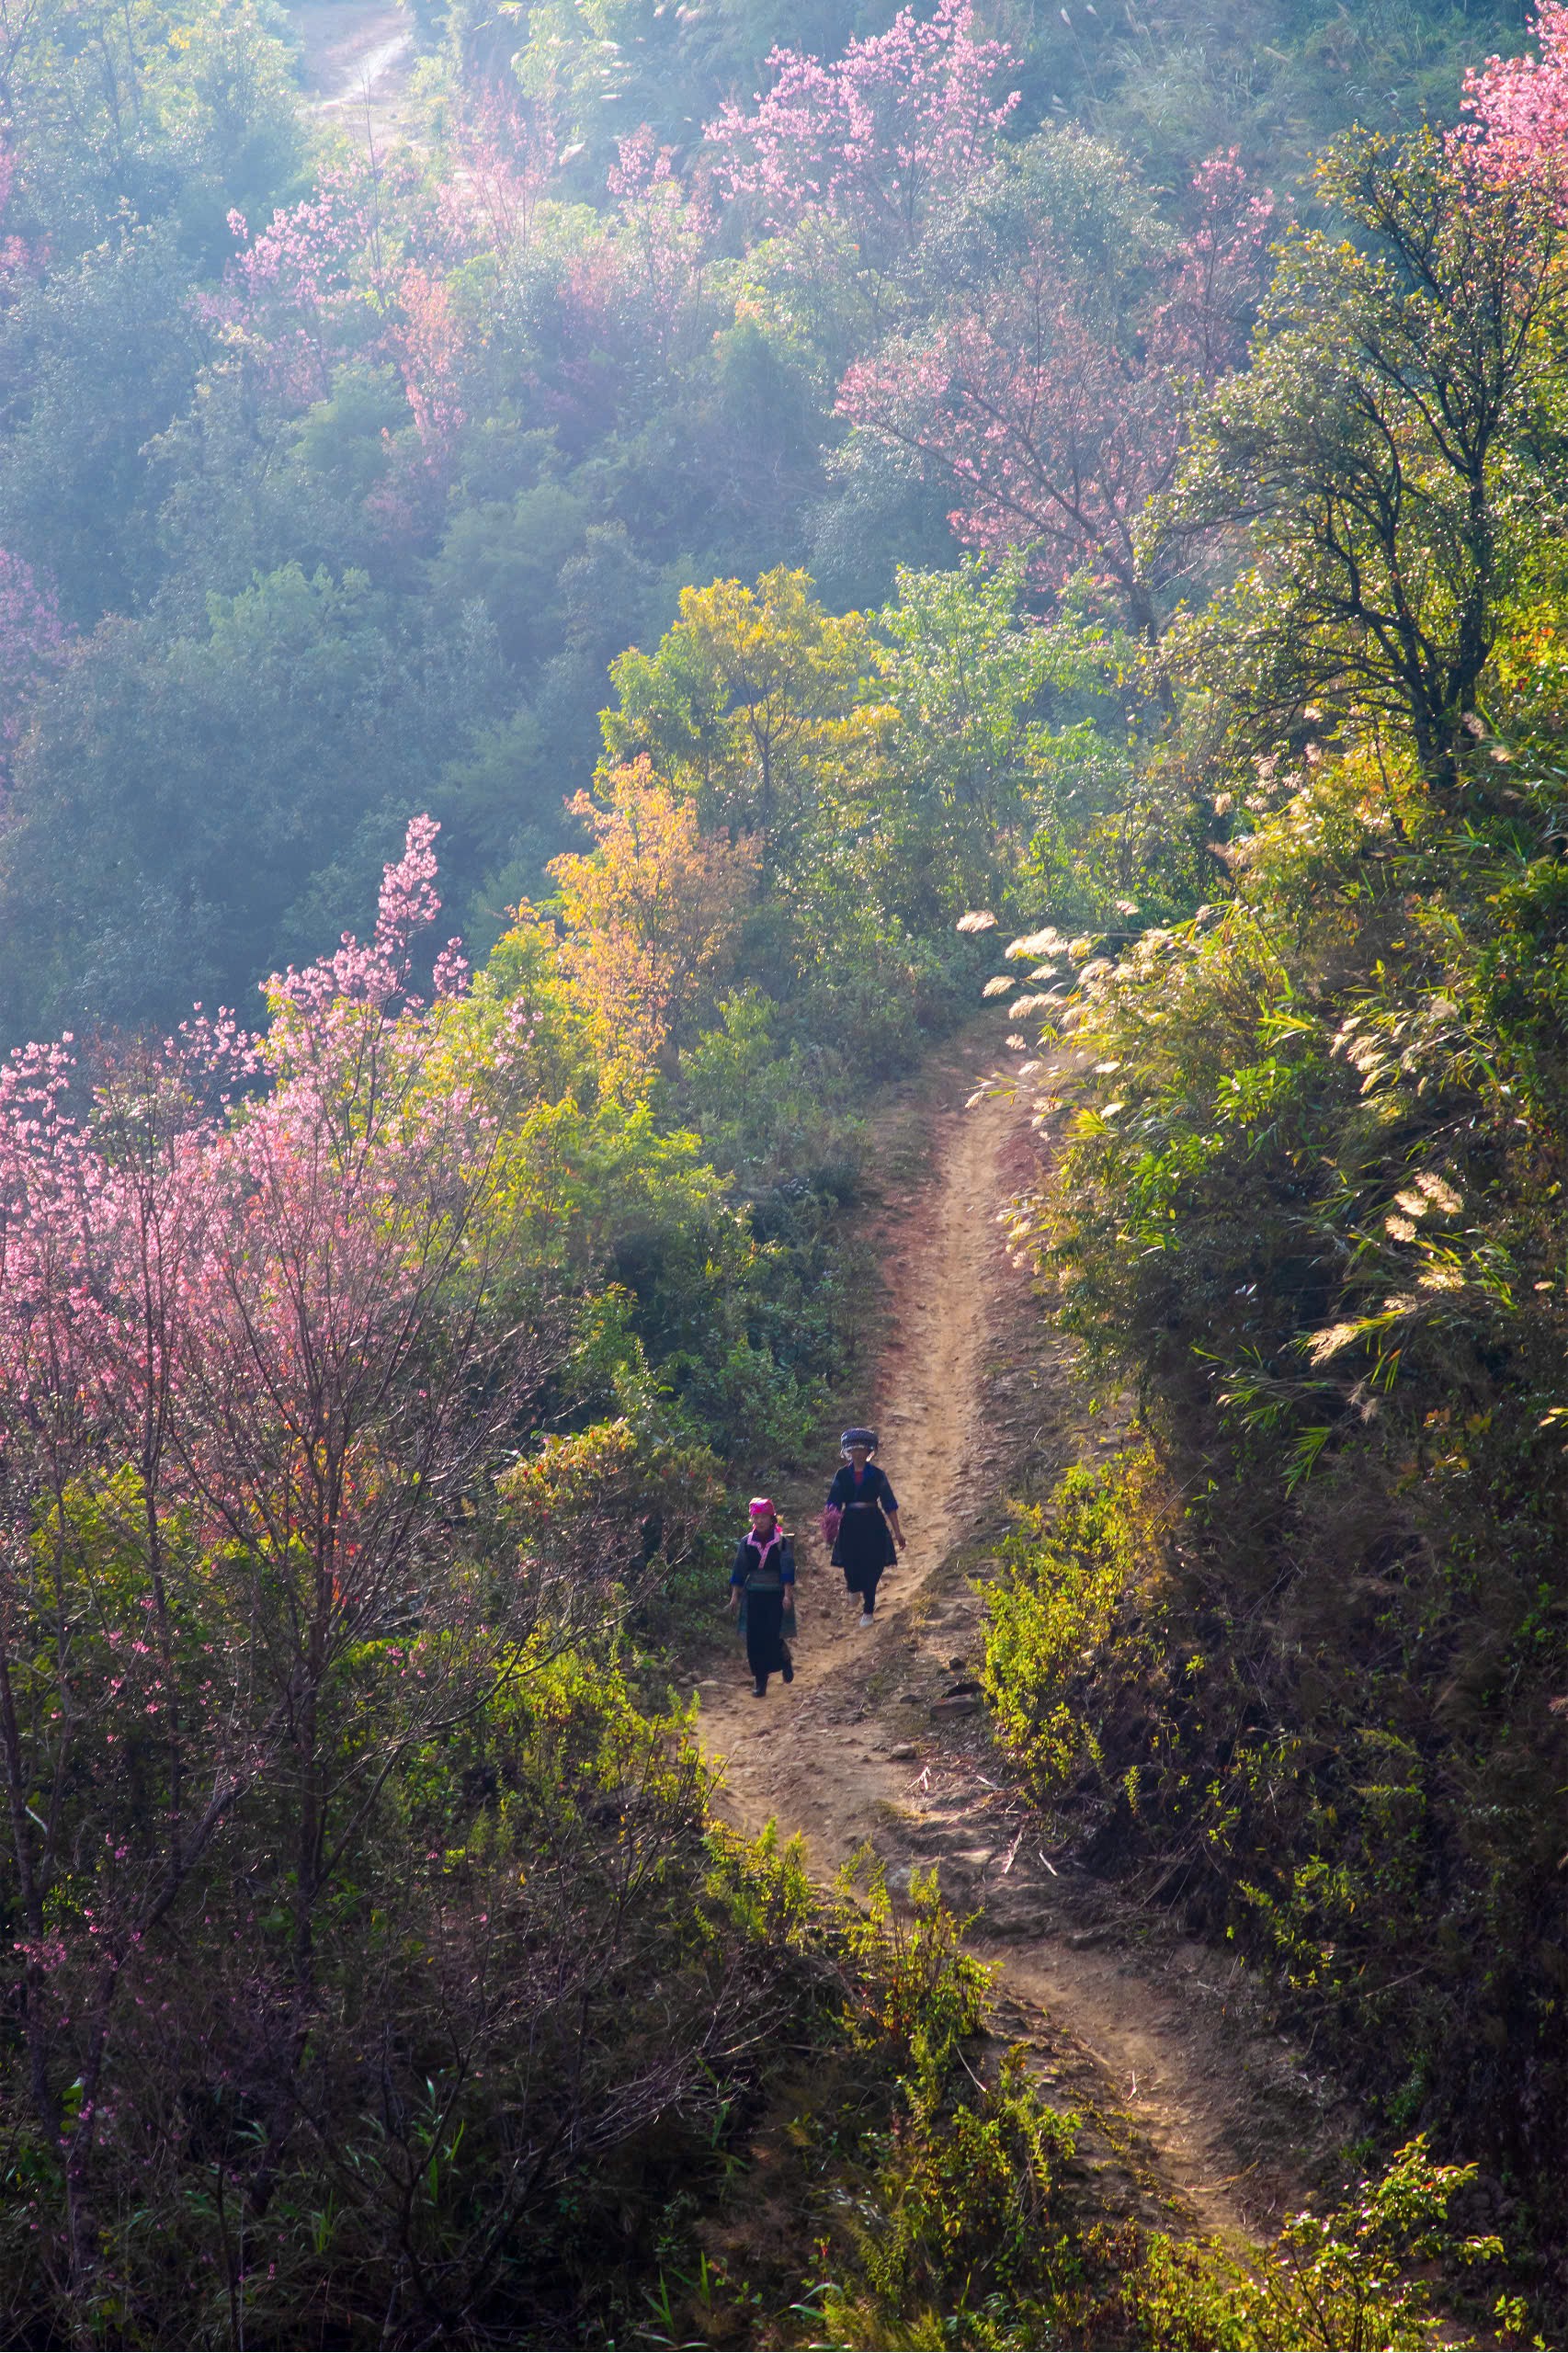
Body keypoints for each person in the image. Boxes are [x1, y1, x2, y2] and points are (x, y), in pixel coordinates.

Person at [825, 1427, 903, 1627]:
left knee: (873, 1565)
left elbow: (889, 1504)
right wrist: (829, 1530)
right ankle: (852, 1586)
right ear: (848, 1453)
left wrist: (898, 1532)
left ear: (869, 1452)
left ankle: (868, 1609)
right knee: (851, 1564)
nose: (858, 1453)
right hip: (850, 1524)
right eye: (854, 1450)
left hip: (873, 1524)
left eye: (862, 1450)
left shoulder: (878, 1475)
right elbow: (833, 1504)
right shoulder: (841, 1475)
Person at [727, 1496, 797, 1698]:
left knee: (772, 1635)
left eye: (764, 1517)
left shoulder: (781, 1542)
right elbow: (739, 1570)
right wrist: (734, 1596)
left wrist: (787, 1595)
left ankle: (784, 1659)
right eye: (756, 1518)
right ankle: (760, 1681)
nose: (760, 1521)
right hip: (754, 1595)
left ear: (771, 1518)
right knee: (754, 1639)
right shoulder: (746, 1542)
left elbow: (787, 1569)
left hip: (775, 1594)